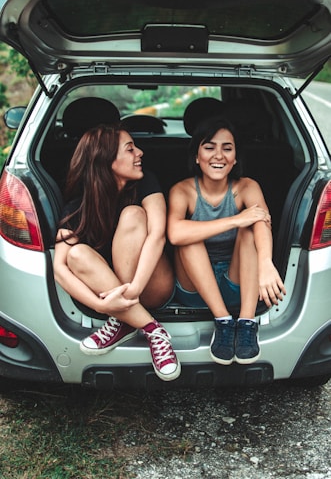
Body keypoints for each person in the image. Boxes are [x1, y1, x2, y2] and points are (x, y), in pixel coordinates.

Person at [53, 124, 181, 382]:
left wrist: (132, 291)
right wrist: (102, 305)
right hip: (112, 298)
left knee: (133, 214)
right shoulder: (77, 206)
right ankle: (151, 329)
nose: (140, 153)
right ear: (106, 159)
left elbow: (158, 235)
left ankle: (123, 319)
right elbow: (59, 269)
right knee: (75, 254)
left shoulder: (147, 183)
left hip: (152, 285)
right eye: (130, 148)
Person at [167, 117, 286, 365]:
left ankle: (245, 322)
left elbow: (263, 222)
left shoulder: (247, 186)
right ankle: (223, 322)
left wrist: (265, 264)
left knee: (251, 230)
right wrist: (235, 219)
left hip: (239, 286)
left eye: (227, 148)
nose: (218, 155)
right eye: (209, 147)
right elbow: (175, 234)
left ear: (235, 159)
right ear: (197, 156)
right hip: (195, 289)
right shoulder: (182, 190)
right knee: (189, 236)